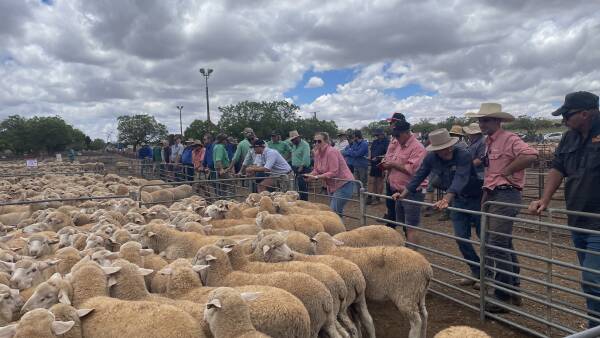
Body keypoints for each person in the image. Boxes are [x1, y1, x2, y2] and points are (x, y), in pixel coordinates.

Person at [528, 91, 600, 327]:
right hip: (578, 218)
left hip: (598, 221)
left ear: (585, 113)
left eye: (567, 115)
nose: (563, 120)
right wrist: (544, 199)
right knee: (591, 279)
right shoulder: (569, 138)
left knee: (592, 279)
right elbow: (558, 168)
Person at [473, 103, 538, 313]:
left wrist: (507, 171)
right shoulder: (489, 142)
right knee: (503, 243)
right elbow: (491, 173)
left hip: (507, 194)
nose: (482, 123)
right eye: (481, 120)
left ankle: (502, 296)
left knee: (496, 244)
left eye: (486, 120)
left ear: (497, 121)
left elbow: (530, 155)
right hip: (495, 194)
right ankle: (512, 288)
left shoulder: (509, 138)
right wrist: (486, 195)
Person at [398, 128, 484, 286]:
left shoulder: (463, 155)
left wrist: (447, 197)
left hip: (476, 198)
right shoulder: (431, 157)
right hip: (457, 199)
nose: (445, 151)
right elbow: (420, 174)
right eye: (440, 149)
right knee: (460, 237)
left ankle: (490, 276)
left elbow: (461, 177)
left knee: (484, 236)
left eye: (447, 147)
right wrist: (404, 193)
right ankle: (477, 271)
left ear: (451, 145)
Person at [382, 116, 427, 245]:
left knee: (411, 227)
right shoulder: (400, 145)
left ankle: (413, 258)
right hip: (399, 191)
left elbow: (412, 170)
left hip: (413, 191)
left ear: (407, 132)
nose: (396, 138)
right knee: (404, 225)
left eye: (398, 135)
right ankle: (408, 251)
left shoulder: (417, 148)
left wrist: (392, 164)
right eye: (395, 135)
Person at [306, 132, 355, 216]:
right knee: (337, 212)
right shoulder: (317, 153)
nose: (316, 143)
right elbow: (316, 170)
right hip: (332, 185)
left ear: (326, 141)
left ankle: (337, 228)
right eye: (315, 141)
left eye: (319, 141)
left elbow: (334, 171)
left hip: (343, 183)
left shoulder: (332, 152)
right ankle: (339, 228)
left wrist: (317, 177)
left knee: (333, 212)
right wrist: (309, 175)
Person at [383, 112, 408, 225]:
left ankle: (397, 226)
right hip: (391, 175)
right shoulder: (394, 138)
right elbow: (391, 155)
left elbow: (401, 160)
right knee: (390, 203)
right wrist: (385, 161)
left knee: (403, 210)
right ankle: (391, 225)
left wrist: (391, 163)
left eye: (392, 122)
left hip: (402, 180)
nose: (390, 125)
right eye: (390, 123)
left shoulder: (403, 139)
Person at [342, 130, 369, 194]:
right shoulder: (355, 143)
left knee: (363, 182)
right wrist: (352, 152)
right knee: (357, 182)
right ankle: (360, 198)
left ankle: (364, 198)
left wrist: (351, 152)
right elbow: (347, 152)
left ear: (357, 136)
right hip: (356, 165)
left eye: (354, 136)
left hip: (362, 165)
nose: (353, 138)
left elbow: (357, 154)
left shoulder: (364, 144)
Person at [367, 128, 389, 205]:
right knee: (372, 180)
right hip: (373, 163)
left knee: (379, 181)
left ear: (382, 134)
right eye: (376, 135)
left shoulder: (387, 142)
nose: (376, 136)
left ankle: (378, 198)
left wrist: (379, 157)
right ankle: (370, 196)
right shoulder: (375, 141)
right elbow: (371, 150)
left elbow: (388, 154)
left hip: (381, 164)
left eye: (377, 135)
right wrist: (370, 156)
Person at [288, 130, 312, 201]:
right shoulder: (294, 145)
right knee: (296, 186)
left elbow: (306, 156)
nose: (292, 141)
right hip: (295, 167)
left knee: (302, 186)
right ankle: (298, 200)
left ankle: (304, 202)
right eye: (292, 139)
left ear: (298, 138)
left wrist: (301, 166)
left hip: (303, 168)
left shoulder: (305, 145)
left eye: (293, 139)